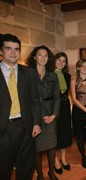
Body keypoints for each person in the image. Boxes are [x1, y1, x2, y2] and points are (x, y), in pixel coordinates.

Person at [0, 34, 41, 180]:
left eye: (17, 49)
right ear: (1, 51)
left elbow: (35, 100)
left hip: (26, 127)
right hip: (4, 130)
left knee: (25, 168)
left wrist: (36, 123)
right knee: (3, 169)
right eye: (8, 48)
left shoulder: (28, 73)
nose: (13, 52)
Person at [26, 45, 61, 180]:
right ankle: (40, 174)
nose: (43, 58)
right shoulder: (28, 74)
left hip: (50, 113)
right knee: (37, 147)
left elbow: (57, 97)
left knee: (51, 145)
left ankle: (51, 172)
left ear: (49, 58)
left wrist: (53, 115)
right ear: (34, 57)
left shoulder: (53, 75)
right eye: (40, 55)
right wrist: (38, 118)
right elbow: (27, 98)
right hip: (34, 115)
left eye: (45, 55)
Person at [53, 52, 72, 174]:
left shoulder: (67, 76)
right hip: (53, 107)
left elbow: (67, 93)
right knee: (54, 133)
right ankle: (55, 160)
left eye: (64, 61)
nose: (61, 63)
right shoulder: (49, 74)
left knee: (64, 132)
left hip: (64, 106)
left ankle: (63, 158)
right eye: (59, 60)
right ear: (54, 61)